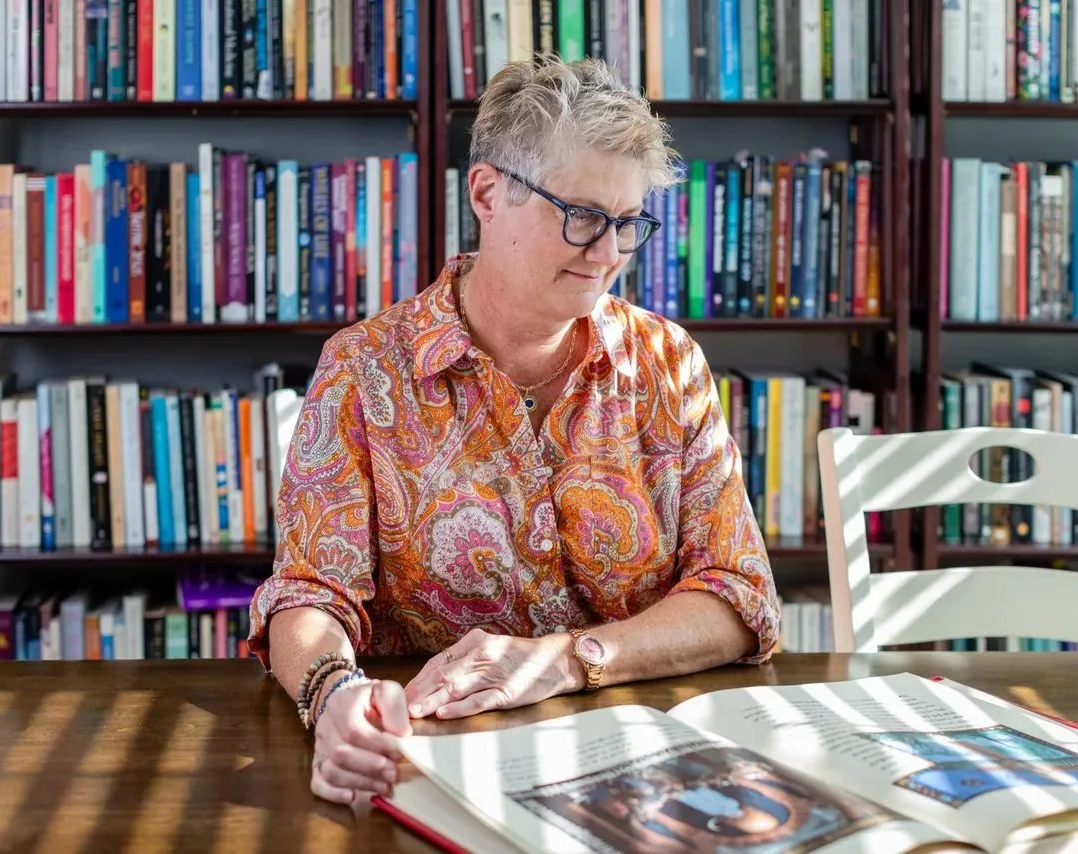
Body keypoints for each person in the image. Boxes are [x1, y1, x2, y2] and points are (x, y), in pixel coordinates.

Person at [245, 54, 780, 808]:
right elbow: (310, 593)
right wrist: (333, 693)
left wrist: (566, 659)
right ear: (487, 193)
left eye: (628, 224)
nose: (608, 255)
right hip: (434, 764)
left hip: (645, 771)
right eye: (582, 216)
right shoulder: (363, 369)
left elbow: (739, 595)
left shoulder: (668, 362)